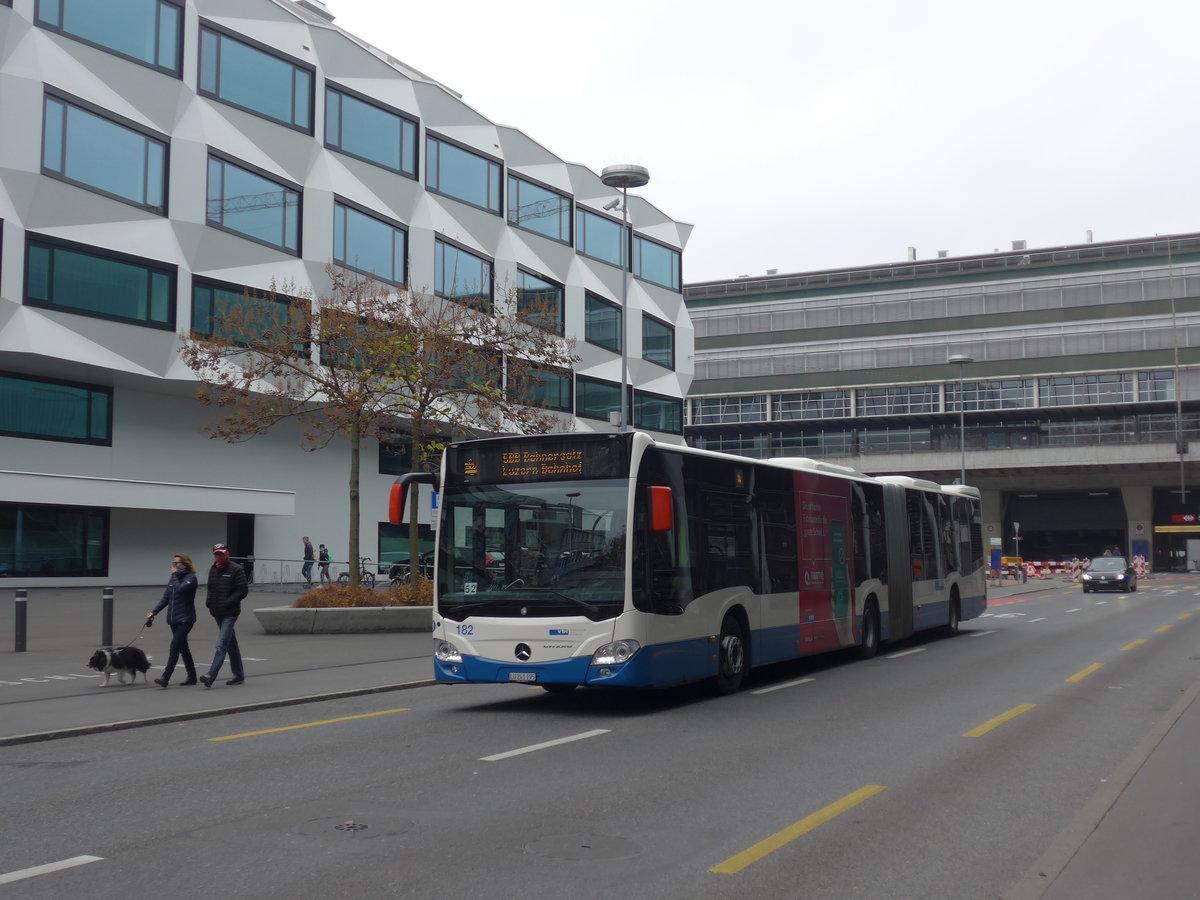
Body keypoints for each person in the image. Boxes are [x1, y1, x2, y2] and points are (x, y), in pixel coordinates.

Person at [199, 542, 249, 688]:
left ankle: (211, 675)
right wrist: (209, 603)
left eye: (221, 553)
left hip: (230, 612)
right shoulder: (213, 569)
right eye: (216, 554)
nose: (218, 556)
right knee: (230, 642)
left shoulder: (236, 569)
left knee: (221, 644)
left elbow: (243, 590)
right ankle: (238, 674)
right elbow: (210, 588)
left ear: (226, 553)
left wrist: (228, 602)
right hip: (216, 612)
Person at [146, 553, 199, 688]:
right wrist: (154, 612)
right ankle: (192, 676)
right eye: (173, 563)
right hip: (173, 619)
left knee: (174, 646)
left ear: (185, 564)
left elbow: (181, 590)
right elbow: (166, 598)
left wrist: (174, 575)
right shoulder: (173, 579)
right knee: (183, 648)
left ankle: (165, 677)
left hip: (186, 619)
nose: (174, 566)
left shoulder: (191, 578)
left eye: (177, 563)